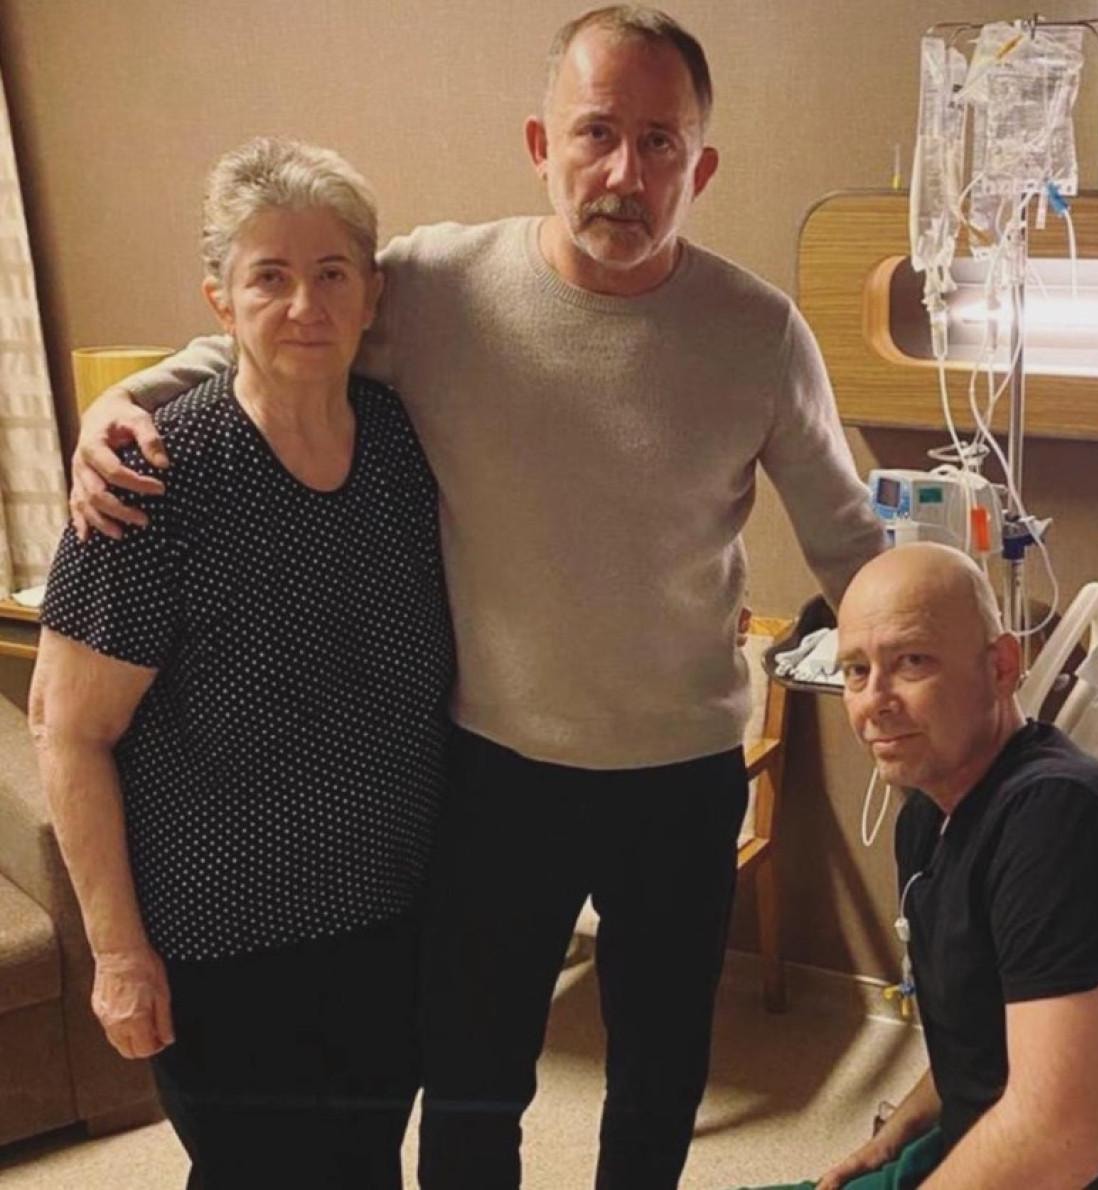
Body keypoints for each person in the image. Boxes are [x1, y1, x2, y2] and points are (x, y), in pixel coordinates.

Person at [68, 8, 885, 1187]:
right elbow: (295, 318)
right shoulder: (442, 284)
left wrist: (932, 665)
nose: (624, 171)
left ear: (699, 168)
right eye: (595, 132)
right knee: (472, 1079)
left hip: (681, 772)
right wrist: (130, 397)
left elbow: (849, 541)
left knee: (658, 1077)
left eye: (659, 142)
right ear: (541, 147)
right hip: (496, 769)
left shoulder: (760, 333)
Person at [30, 137, 454, 1189]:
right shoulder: (151, 476)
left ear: (371, 294)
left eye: (332, 273)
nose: (305, 304)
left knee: (365, 1164)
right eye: (270, 276)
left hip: (386, 918)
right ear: (220, 298)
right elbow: (67, 727)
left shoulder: (405, 444)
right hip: (218, 940)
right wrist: (118, 956)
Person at [757, 542, 1098, 1190]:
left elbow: (1060, 1138)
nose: (874, 701)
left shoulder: (1062, 823)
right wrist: (898, 1134)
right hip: (979, 1147)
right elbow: (985, 1033)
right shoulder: (927, 816)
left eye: (911, 661)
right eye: (855, 670)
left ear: (1001, 667)